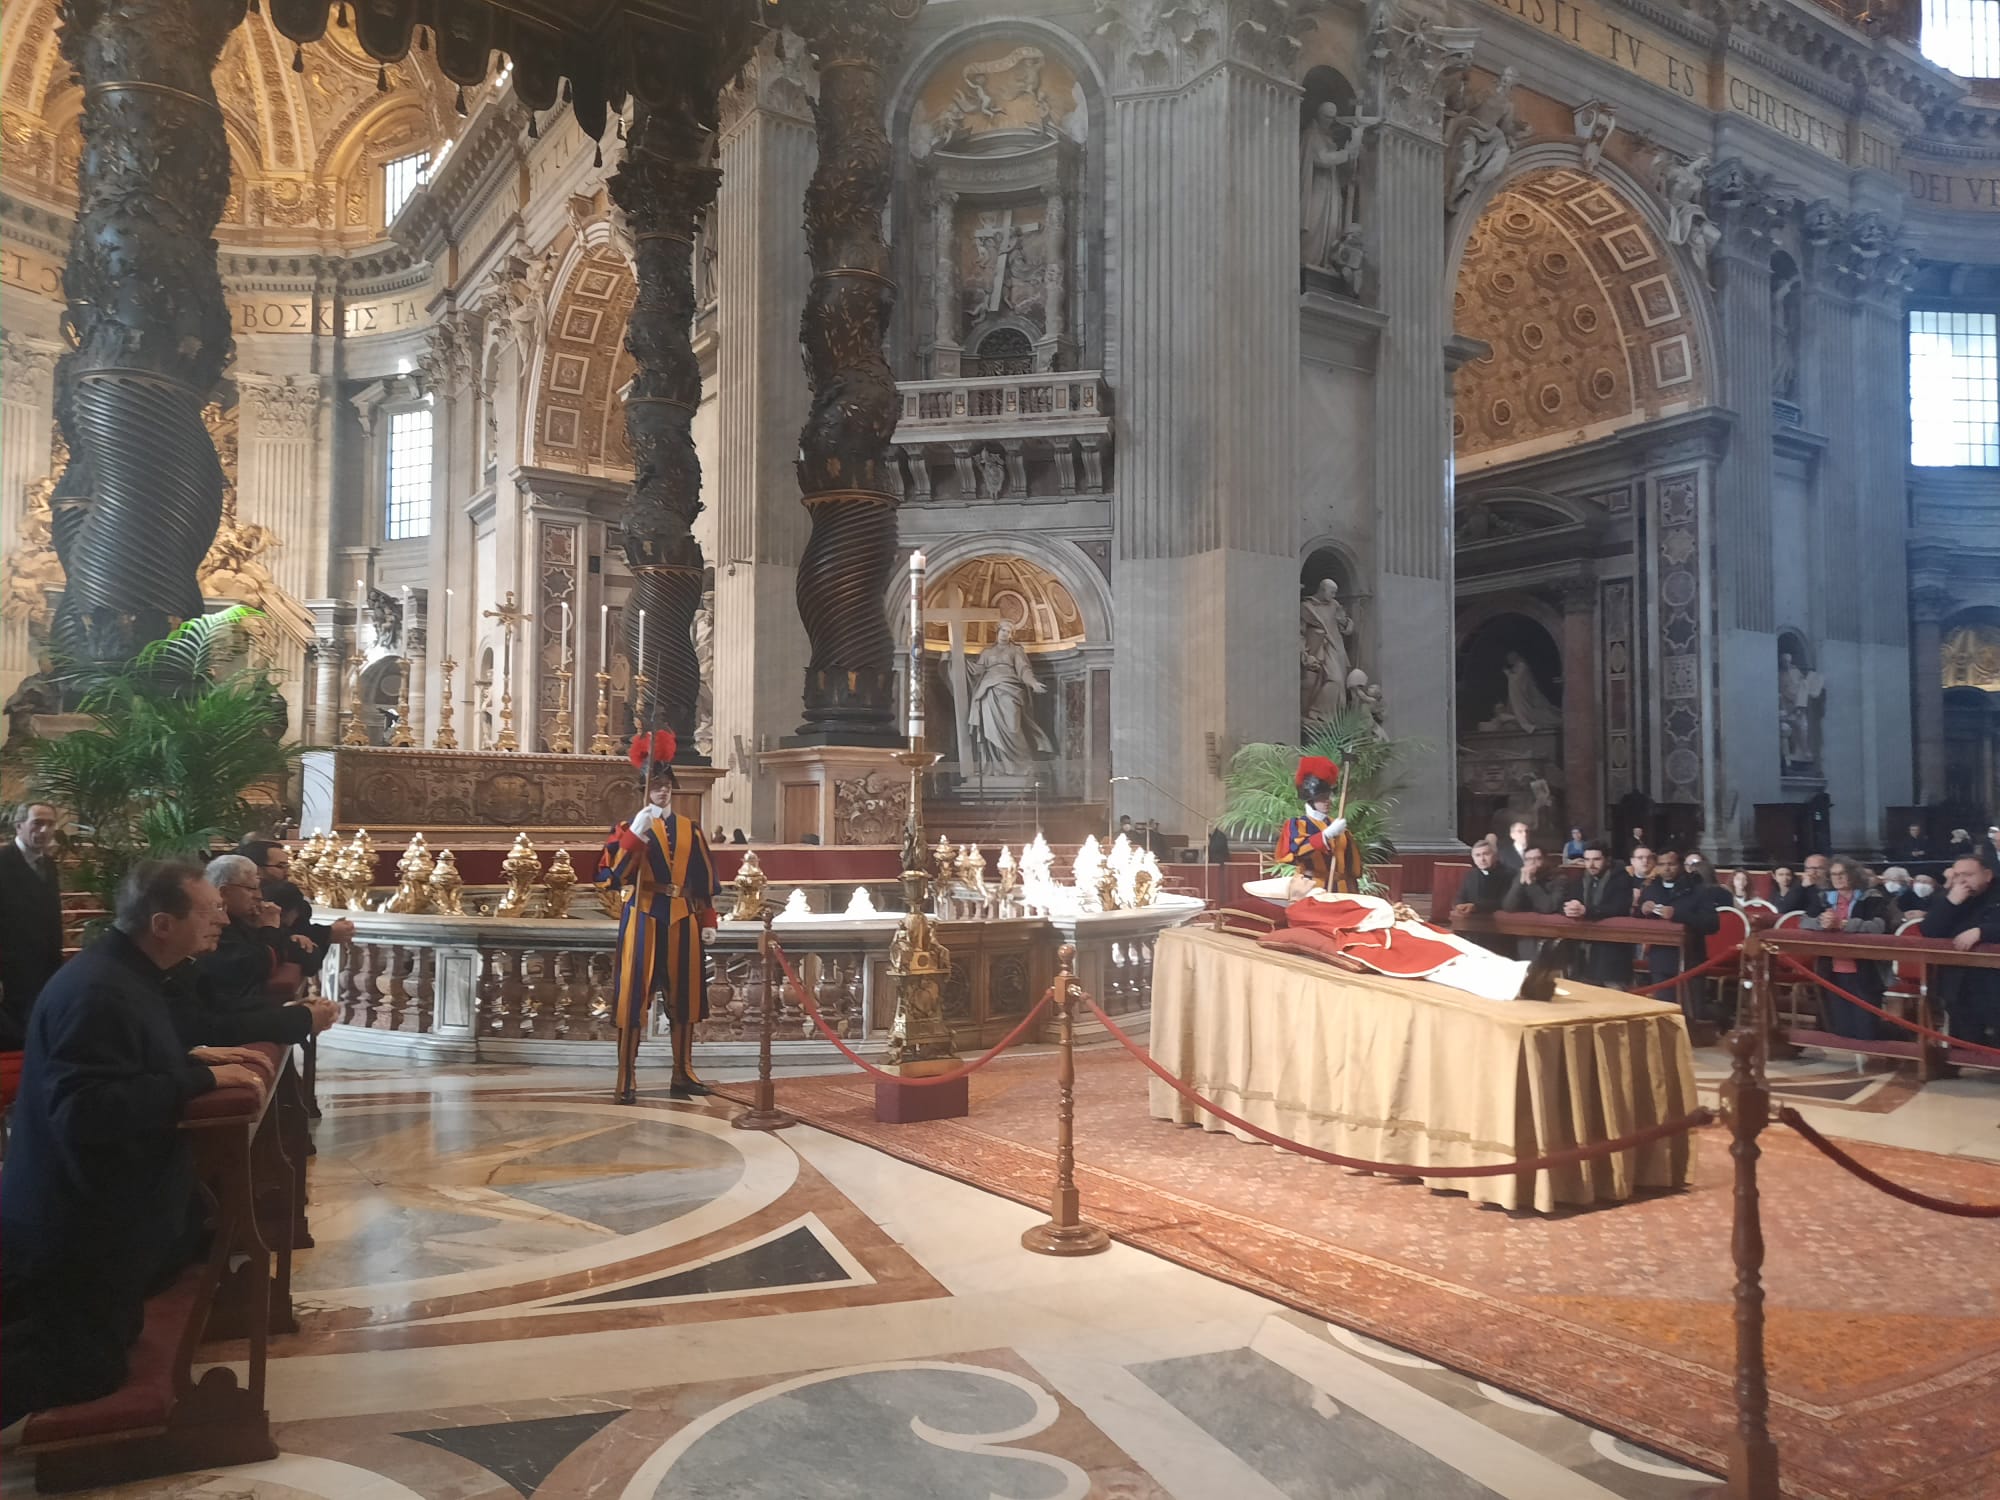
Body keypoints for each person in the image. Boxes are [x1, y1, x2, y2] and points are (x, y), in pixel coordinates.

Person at [1, 860, 269, 1426]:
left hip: (102, 1218)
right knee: (80, 1372)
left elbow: (122, 1063)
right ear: (163, 923)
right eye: (207, 910)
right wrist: (195, 1078)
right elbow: (86, 1109)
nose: (220, 918)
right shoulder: (100, 990)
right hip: (76, 1224)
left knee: (107, 1349)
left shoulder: (126, 974)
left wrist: (191, 1057)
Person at [600, 731, 718, 1104]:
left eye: (667, 787)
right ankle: (625, 1077)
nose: (662, 793)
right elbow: (610, 876)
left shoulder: (690, 829)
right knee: (632, 1000)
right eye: (656, 787)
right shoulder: (626, 830)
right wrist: (635, 835)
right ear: (645, 791)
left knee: (685, 999)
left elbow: (703, 880)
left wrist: (709, 920)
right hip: (643, 916)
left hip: (683, 916)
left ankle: (682, 1072)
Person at [0, 801, 65, 1048]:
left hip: (45, 967)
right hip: (10, 970)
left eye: (50, 824)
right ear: (19, 826)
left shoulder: (49, 865)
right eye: (37, 823)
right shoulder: (3, 862)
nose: (44, 830)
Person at [1806, 855, 1891, 1041]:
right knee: (1842, 1029)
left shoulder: (1871, 897)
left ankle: (1900, 1039)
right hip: (1833, 969)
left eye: (1842, 873)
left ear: (1853, 875)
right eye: (1833, 874)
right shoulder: (1824, 898)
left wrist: (1844, 924)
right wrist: (1822, 922)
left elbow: (1878, 926)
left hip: (1865, 969)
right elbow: (1804, 922)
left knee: (1865, 1030)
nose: (1837, 878)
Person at [235, 838, 354, 970]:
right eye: (280, 866)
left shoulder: (290, 896)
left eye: (287, 866)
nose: (288, 872)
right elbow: (301, 955)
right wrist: (327, 933)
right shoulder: (260, 903)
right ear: (256, 869)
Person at [1921, 857, 2000, 1051]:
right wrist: (1950, 903)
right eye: (1957, 875)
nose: (1962, 881)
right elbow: (1930, 931)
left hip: (1993, 979)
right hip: (1958, 979)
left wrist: (1982, 931)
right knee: (1965, 1034)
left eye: (1968, 875)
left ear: (1987, 875)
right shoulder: (1949, 896)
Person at [1636, 850, 1715, 1022]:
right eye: (1662, 865)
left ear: (1680, 866)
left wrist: (1678, 914)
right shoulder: (1651, 889)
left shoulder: (1697, 889)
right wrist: (1642, 910)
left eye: (1671, 864)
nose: (1667, 869)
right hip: (1661, 958)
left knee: (1692, 1014)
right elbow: (1636, 918)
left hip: (1691, 958)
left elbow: (1712, 923)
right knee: (1664, 1013)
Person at [1274, 755, 1361, 896]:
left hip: (1343, 891)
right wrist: (1326, 835)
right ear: (1310, 800)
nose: (1327, 801)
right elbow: (1297, 852)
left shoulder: (1337, 825)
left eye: (1327, 796)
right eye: (1321, 798)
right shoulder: (1297, 824)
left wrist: (1354, 891)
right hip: (1312, 889)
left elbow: (1351, 865)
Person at [1564, 842, 1637, 989]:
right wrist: (1568, 908)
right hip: (1584, 950)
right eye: (1587, 860)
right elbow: (1568, 899)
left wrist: (1587, 911)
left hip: (1613, 950)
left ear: (1607, 860)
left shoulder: (1621, 879)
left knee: (1616, 996)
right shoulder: (1580, 880)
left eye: (1596, 859)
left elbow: (1619, 907)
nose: (1591, 865)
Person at [1449, 838, 1513, 955]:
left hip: (1497, 932)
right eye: (1477, 855)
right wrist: (1458, 905)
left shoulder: (1509, 875)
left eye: (1486, 854)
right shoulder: (1471, 874)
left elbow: (1505, 902)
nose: (1482, 859)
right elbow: (1461, 895)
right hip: (1472, 929)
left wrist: (1476, 907)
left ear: (1495, 855)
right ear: (1473, 858)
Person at [1503, 846, 1565, 960]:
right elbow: (1508, 907)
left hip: (1550, 931)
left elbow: (1548, 907)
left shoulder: (1559, 879)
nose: (1532, 863)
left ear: (1545, 860)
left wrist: (1531, 883)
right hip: (1525, 931)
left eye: (1537, 859)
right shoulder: (1521, 876)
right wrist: (1520, 883)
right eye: (1528, 859)